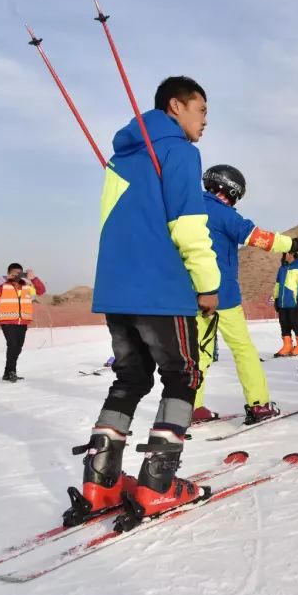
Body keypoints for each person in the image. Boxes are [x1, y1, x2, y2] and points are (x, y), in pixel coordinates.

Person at [69, 76, 220, 526]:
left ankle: (100, 482)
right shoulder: (180, 152)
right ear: (176, 106)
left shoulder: (120, 158)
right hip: (161, 287)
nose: (204, 122)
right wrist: (207, 283)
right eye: (202, 111)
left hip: (118, 288)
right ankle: (158, 483)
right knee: (183, 374)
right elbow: (189, 224)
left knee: (130, 378)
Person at [191, 164, 298, 425]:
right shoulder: (223, 213)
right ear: (231, 190)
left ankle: (191, 406)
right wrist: (294, 243)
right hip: (222, 295)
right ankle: (258, 405)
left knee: (199, 352)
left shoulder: (188, 208)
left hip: (192, 295)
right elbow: (258, 238)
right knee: (243, 349)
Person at [0, 263, 46, 382]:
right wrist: (4, 278)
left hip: (23, 321)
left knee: (18, 347)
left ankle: (8, 373)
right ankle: (11, 372)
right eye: (14, 272)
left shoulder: (27, 286)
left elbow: (41, 291)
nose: (17, 275)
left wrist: (33, 278)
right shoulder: (2, 285)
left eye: (19, 272)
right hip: (7, 321)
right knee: (13, 345)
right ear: (9, 273)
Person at [273, 251, 298, 359]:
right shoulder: (282, 268)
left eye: (285, 254)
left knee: (295, 322)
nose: (283, 256)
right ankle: (287, 345)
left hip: (293, 301)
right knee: (284, 323)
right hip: (282, 302)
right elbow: (277, 285)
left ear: (291, 254)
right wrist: (276, 298)